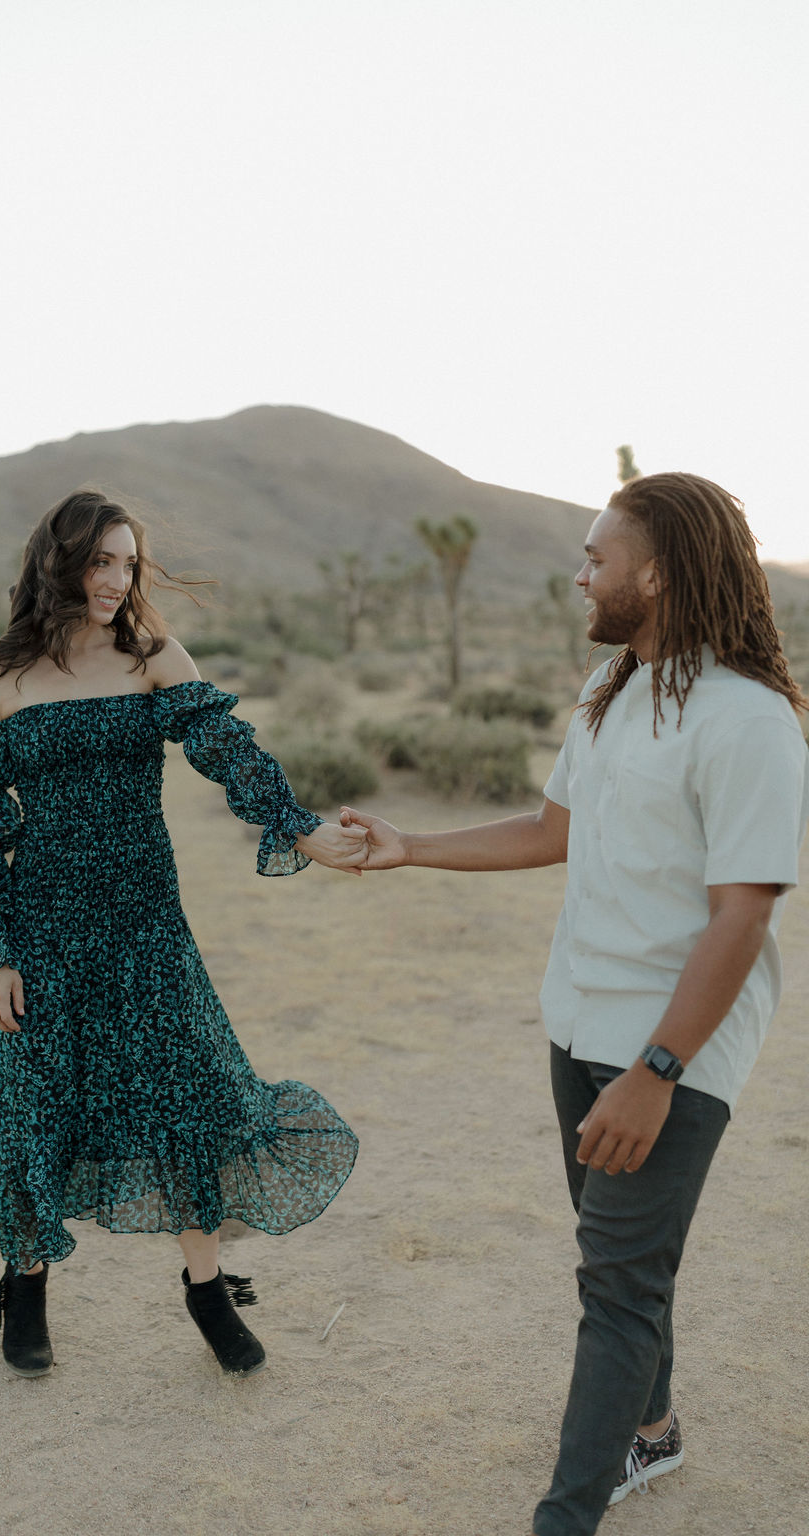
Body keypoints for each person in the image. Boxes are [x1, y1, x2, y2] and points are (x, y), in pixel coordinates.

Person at [340, 472, 809, 1535]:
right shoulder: (612, 697)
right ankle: (654, 1428)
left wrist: (657, 1073)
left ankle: (567, 1516)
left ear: (659, 572)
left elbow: (741, 917)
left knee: (616, 1288)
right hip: (577, 1022)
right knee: (622, 1256)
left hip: (670, 1049)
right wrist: (411, 850)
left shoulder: (749, 723)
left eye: (597, 557)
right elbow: (548, 830)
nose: (579, 573)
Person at [0, 488, 363, 1381]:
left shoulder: (152, 655)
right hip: (43, 925)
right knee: (34, 1107)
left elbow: (225, 747)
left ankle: (207, 1291)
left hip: (145, 921)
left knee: (178, 1095)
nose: (116, 580)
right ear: (58, 563)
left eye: (127, 563)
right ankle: (26, 1285)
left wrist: (299, 826)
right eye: (101, 561)